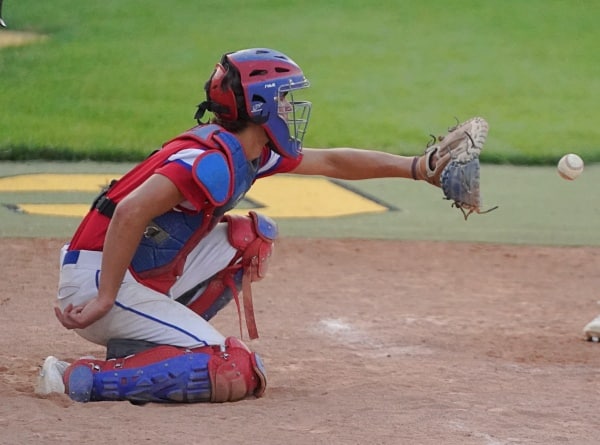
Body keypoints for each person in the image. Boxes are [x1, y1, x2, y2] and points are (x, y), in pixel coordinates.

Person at [35, 47, 489, 403]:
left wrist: (418, 166)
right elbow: (131, 210)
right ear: (259, 105)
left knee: (248, 239)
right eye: (285, 99)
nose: (291, 108)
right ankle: (81, 379)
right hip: (98, 281)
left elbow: (332, 160)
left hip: (127, 267)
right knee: (229, 366)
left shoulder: (246, 150)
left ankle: (150, 345)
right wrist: (106, 298)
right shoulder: (212, 161)